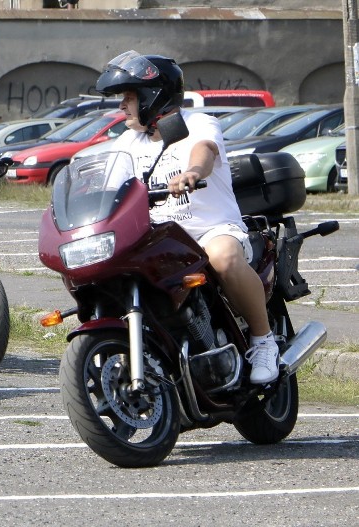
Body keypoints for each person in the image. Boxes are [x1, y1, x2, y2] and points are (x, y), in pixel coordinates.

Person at [95, 50, 279, 384]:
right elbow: (110, 184)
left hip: (212, 230)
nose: (122, 106)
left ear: (153, 97)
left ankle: (263, 340)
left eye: (129, 97)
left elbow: (203, 152)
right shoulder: (126, 142)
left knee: (222, 258)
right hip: (161, 239)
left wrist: (192, 172)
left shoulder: (197, 124)